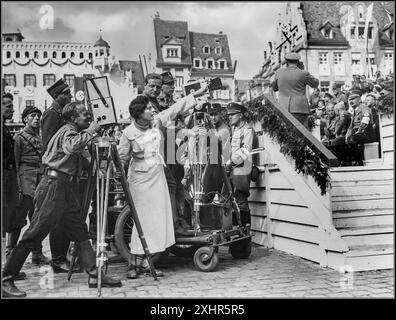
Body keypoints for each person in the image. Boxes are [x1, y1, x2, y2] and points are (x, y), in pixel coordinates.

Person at [2, 101, 122, 298]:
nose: (88, 117)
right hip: (53, 186)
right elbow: (71, 148)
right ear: (73, 118)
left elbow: (81, 156)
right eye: (84, 114)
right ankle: (6, 279)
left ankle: (94, 275)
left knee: (79, 231)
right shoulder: (68, 131)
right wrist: (91, 131)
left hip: (63, 186)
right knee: (34, 233)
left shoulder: (73, 131)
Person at [118, 82, 208, 279]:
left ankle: (146, 262)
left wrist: (196, 95)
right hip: (139, 180)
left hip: (157, 176)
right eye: (148, 109)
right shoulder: (128, 133)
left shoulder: (157, 122)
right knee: (141, 220)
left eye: (151, 108)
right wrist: (117, 175)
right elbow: (122, 158)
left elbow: (176, 109)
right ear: (138, 113)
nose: (152, 110)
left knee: (157, 220)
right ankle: (133, 263)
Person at [41, 79, 79, 273]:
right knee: (55, 219)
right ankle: (57, 259)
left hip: (65, 172)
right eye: (66, 94)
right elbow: (47, 145)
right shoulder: (51, 115)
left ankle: (63, 256)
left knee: (66, 217)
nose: (70, 97)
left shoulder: (62, 115)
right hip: (56, 172)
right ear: (57, 96)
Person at [9, 107, 50, 265]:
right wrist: (18, 188)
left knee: (37, 219)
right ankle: (11, 254)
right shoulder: (19, 138)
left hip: (38, 180)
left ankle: (37, 253)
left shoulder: (38, 137)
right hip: (25, 182)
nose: (37, 118)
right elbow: (15, 163)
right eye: (33, 116)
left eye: (38, 116)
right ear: (25, 119)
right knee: (19, 220)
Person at [271, 52, 319, 129]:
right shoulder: (303, 73)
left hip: (283, 107)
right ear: (298, 61)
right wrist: (302, 70)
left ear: (286, 61)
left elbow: (274, 88)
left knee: (286, 133)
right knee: (301, 133)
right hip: (300, 108)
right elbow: (315, 84)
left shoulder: (279, 72)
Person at [226, 102, 254, 228]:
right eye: (228, 115)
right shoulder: (233, 129)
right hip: (232, 169)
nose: (229, 117)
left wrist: (230, 162)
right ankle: (236, 232)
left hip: (242, 169)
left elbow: (245, 150)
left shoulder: (247, 130)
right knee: (232, 201)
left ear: (241, 115)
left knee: (241, 200)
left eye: (232, 114)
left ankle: (243, 235)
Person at [326, 93, 375, 164]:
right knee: (337, 141)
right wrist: (346, 136)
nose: (351, 101)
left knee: (352, 139)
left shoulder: (364, 108)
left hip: (366, 133)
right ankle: (341, 162)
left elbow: (365, 121)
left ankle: (359, 162)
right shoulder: (355, 111)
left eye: (353, 99)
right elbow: (350, 127)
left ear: (359, 100)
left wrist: (358, 131)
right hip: (357, 134)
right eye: (350, 100)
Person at [202, 103, 231, 202]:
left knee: (223, 201)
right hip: (214, 168)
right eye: (211, 115)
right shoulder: (215, 129)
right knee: (209, 199)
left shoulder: (224, 130)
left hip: (222, 168)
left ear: (221, 114)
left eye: (216, 114)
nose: (213, 118)